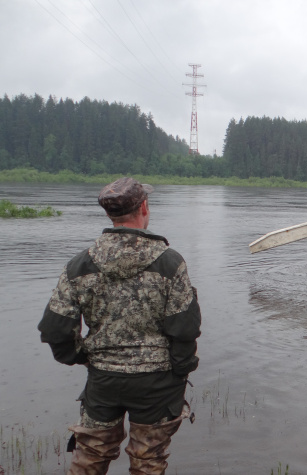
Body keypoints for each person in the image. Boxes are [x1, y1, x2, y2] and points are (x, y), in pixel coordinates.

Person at [38, 177, 201, 474]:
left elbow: (55, 329)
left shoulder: (80, 263)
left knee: (89, 458)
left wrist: (81, 356)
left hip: (103, 380)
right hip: (157, 382)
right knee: (148, 461)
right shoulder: (170, 262)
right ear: (144, 208)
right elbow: (185, 329)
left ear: (110, 214)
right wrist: (180, 371)